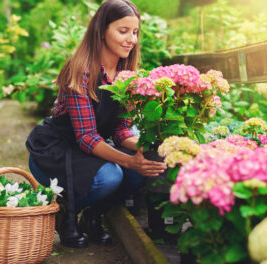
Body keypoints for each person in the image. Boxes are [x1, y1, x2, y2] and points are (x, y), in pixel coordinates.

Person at [26, 0, 166, 248]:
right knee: (112, 175)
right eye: (123, 31)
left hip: (88, 150)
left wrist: (143, 148)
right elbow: (86, 136)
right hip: (56, 152)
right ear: (102, 31)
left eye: (135, 32)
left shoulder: (126, 73)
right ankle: (64, 213)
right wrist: (128, 160)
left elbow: (121, 130)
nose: (131, 39)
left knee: (142, 169)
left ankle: (94, 216)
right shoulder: (80, 70)